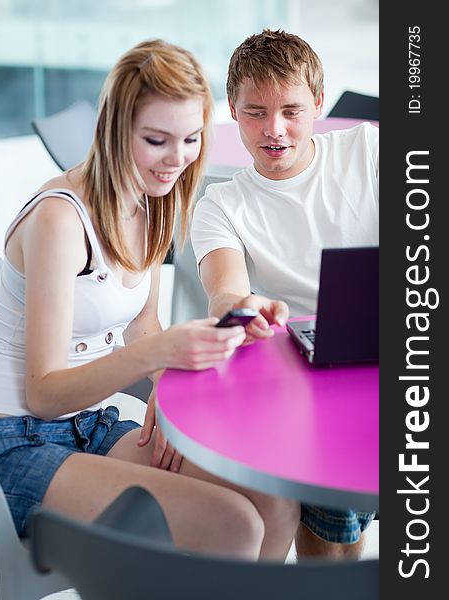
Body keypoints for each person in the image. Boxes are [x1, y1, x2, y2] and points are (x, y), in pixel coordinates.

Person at [0, 39, 299, 561]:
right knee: (231, 523)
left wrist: (180, 372)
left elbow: (141, 326)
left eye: (192, 139)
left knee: (274, 499)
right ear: (114, 130)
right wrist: (162, 355)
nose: (177, 160)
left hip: (87, 423)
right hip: (5, 440)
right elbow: (43, 394)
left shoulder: (152, 202)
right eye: (156, 140)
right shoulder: (61, 220)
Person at [191, 29, 379, 560]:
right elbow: (225, 292)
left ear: (319, 103)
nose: (275, 130)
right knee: (334, 550)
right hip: (311, 381)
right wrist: (241, 310)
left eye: (292, 110)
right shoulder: (221, 205)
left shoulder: (371, 150)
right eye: (255, 113)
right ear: (232, 110)